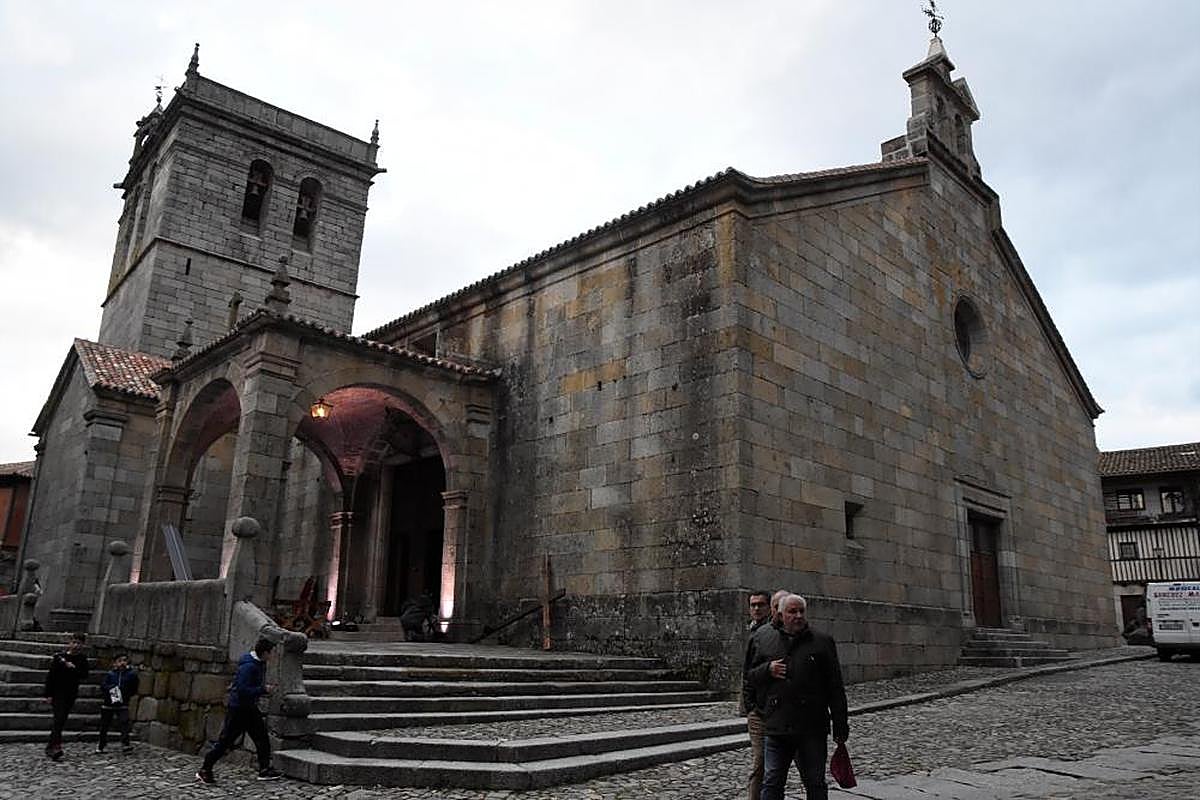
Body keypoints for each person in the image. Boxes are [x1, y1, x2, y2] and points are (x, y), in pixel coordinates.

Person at [748, 594, 849, 800]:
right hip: (777, 726)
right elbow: (749, 675)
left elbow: (835, 687)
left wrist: (840, 725)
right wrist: (767, 670)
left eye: (801, 611)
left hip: (811, 727)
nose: (798, 616)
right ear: (781, 614)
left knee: (815, 781)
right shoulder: (763, 638)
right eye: (792, 611)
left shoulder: (822, 642)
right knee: (772, 780)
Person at [196, 637, 282, 784]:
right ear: (265, 653)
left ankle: (264, 769)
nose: (274, 656)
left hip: (249, 707)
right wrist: (263, 689)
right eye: (272, 652)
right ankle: (205, 768)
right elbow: (242, 689)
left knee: (261, 738)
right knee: (225, 741)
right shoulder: (249, 667)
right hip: (239, 709)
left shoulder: (259, 663)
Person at [740, 590, 772, 800]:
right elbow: (747, 671)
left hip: (775, 707)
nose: (756, 609)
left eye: (760, 605)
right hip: (757, 710)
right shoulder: (753, 631)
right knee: (759, 763)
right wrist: (749, 705)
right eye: (753, 605)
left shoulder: (772, 632)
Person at [43, 632, 89, 761]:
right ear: (69, 643)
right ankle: (56, 747)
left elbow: (84, 675)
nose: (75, 645)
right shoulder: (59, 657)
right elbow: (51, 676)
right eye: (73, 642)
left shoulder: (82, 659)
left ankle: (50, 746)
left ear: (82, 645)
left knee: (61, 721)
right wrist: (48, 694)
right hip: (58, 693)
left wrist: (74, 668)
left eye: (78, 643)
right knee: (59, 718)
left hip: (70, 693)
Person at [96, 652, 140, 753]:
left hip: (123, 703)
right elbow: (103, 686)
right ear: (115, 663)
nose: (122, 663)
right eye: (119, 661)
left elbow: (134, 687)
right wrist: (112, 689)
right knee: (105, 725)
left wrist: (127, 694)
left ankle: (125, 743)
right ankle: (101, 744)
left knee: (124, 722)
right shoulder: (110, 674)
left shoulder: (131, 675)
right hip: (108, 704)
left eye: (124, 660)